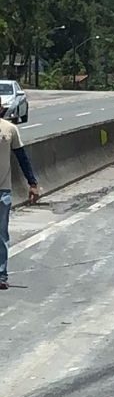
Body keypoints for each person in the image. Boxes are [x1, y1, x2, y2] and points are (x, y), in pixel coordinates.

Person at [1, 98, 40, 291]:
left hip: (3, 190)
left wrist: (32, 183)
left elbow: (22, 158)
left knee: (1, 234)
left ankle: (1, 274)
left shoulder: (10, 130)